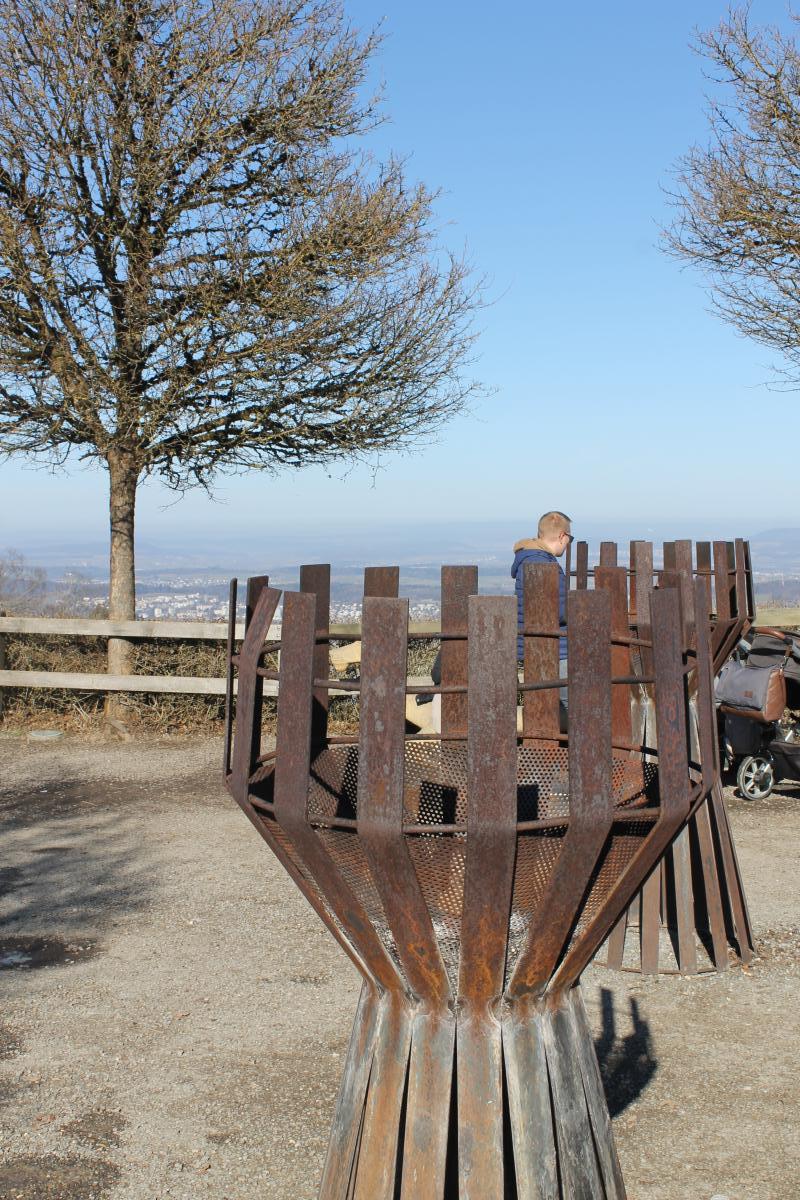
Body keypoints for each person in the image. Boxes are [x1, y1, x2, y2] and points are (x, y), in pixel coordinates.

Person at [511, 511, 572, 717]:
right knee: (568, 707)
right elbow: (558, 611)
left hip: (535, 645)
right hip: (555, 648)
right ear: (562, 536)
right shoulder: (543, 564)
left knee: (542, 706)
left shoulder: (528, 559)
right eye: (569, 539)